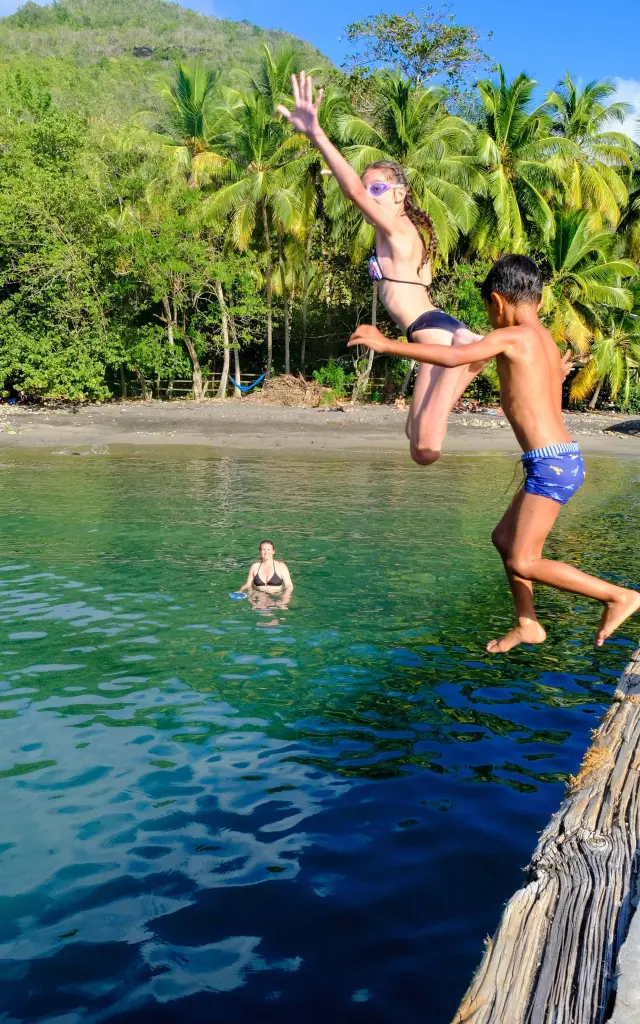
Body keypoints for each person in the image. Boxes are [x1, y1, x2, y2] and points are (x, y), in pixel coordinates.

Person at [348, 254, 640, 652]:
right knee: (504, 539)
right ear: (538, 300)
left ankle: (618, 596)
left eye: (488, 312)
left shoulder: (515, 337)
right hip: (554, 461)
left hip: (552, 466)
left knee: (524, 561)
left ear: (497, 302)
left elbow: (454, 356)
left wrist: (386, 344)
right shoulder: (544, 341)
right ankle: (527, 624)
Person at [276, 71, 487, 467]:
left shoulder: (397, 227)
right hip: (435, 327)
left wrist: (317, 135)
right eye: (369, 187)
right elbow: (355, 189)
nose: (369, 196)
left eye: (378, 189)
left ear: (400, 194)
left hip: (430, 330)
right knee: (412, 434)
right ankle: (468, 356)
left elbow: (354, 192)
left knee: (424, 451)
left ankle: (466, 357)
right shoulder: (402, 232)